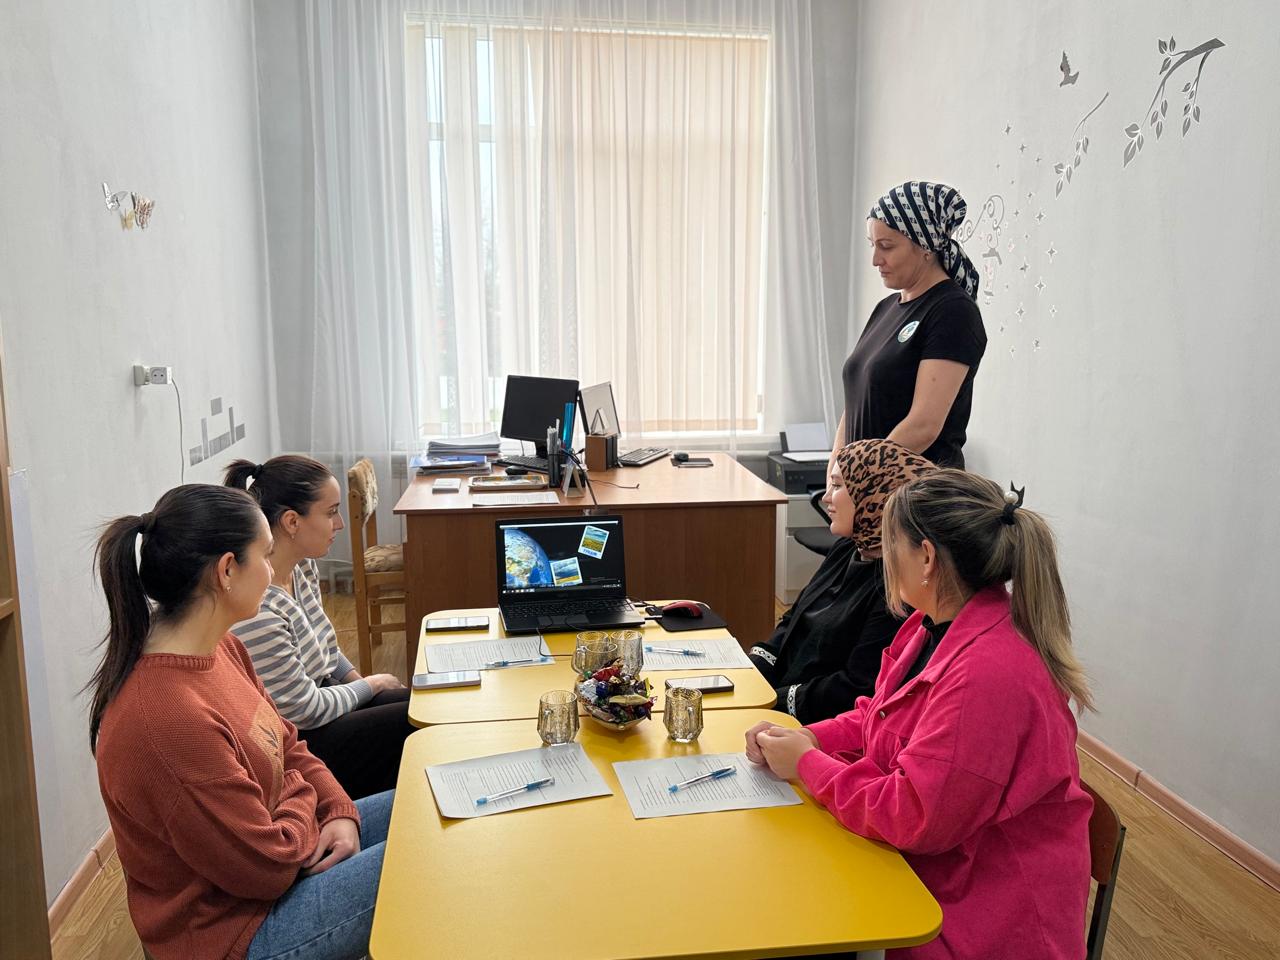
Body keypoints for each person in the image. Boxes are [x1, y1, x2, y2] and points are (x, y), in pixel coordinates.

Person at [746, 470, 1094, 959]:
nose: (885, 558)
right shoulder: (928, 626)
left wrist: (806, 764)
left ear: (926, 557)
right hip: (936, 872)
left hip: (982, 916)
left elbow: (913, 815)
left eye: (891, 543)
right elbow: (880, 715)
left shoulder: (988, 674)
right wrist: (809, 738)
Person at [88, 484, 390, 960]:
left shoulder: (223, 647)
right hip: (237, 931)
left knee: (425, 808)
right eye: (266, 556)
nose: (273, 572)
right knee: (428, 854)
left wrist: (336, 809)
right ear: (227, 570)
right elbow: (267, 870)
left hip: (283, 857)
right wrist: (306, 802)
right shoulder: (165, 719)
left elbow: (288, 745)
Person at [226, 456, 411, 799]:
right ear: (292, 522)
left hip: (325, 701)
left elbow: (327, 647)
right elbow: (304, 711)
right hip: (303, 742)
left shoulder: (302, 567)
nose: (339, 524)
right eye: (330, 513)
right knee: (414, 723)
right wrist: (371, 686)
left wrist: (359, 682)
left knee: (423, 703)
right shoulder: (259, 608)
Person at [749, 439, 934, 722]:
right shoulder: (847, 547)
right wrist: (753, 670)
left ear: (874, 495)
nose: (825, 497)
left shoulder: (897, 586)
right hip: (777, 697)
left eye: (837, 486)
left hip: (812, 722)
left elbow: (854, 688)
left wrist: (770, 701)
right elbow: (794, 618)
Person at [832, 181, 987, 471]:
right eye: (873, 245)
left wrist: (859, 477)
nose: (875, 260)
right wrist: (835, 471)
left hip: (915, 491)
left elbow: (923, 426)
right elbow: (856, 403)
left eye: (886, 246)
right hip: (863, 485)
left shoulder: (953, 311)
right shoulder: (885, 309)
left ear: (925, 247)